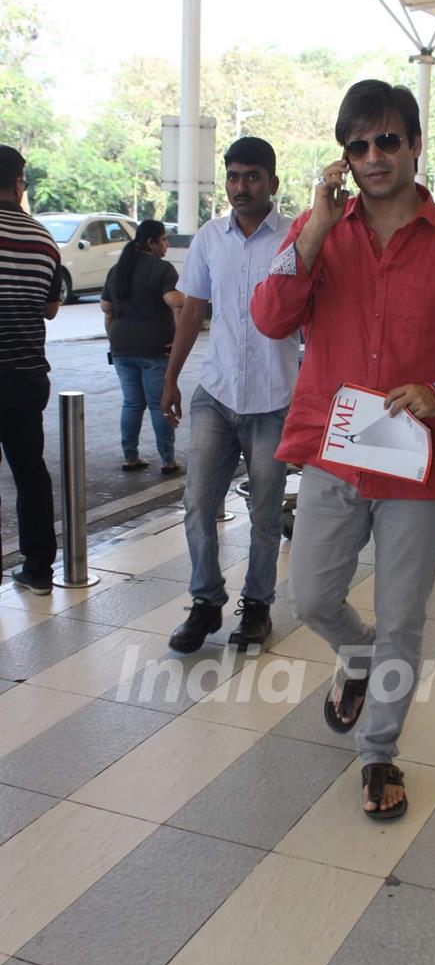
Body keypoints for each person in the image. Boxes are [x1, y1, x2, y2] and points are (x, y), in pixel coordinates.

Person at [252, 80, 435, 820]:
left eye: (388, 141)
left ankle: (379, 754)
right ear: (345, 157)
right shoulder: (320, 234)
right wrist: (312, 229)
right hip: (335, 454)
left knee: (405, 617)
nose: (374, 157)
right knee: (310, 596)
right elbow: (271, 317)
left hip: (416, 465)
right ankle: (358, 655)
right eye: (359, 146)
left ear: (414, 145)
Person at [161, 137, 300, 654]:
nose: (241, 187)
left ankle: (258, 606)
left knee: (265, 514)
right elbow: (192, 311)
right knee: (197, 505)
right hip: (216, 394)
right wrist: (172, 377)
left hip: (273, 398)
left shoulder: (294, 238)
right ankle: (205, 602)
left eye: (252, 177)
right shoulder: (209, 238)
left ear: (272, 183)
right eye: (234, 177)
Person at [0, 146, 61, 596]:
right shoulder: (43, 239)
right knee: (29, 471)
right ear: (20, 184)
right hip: (25, 376)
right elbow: (51, 307)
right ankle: (39, 567)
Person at [100, 220, 184, 474]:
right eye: (164, 240)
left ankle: (130, 457)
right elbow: (177, 303)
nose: (167, 245)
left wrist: (114, 340)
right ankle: (168, 460)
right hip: (155, 347)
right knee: (160, 404)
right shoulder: (163, 269)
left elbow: (106, 310)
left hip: (121, 348)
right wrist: (179, 338)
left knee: (132, 403)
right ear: (151, 242)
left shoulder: (118, 270)